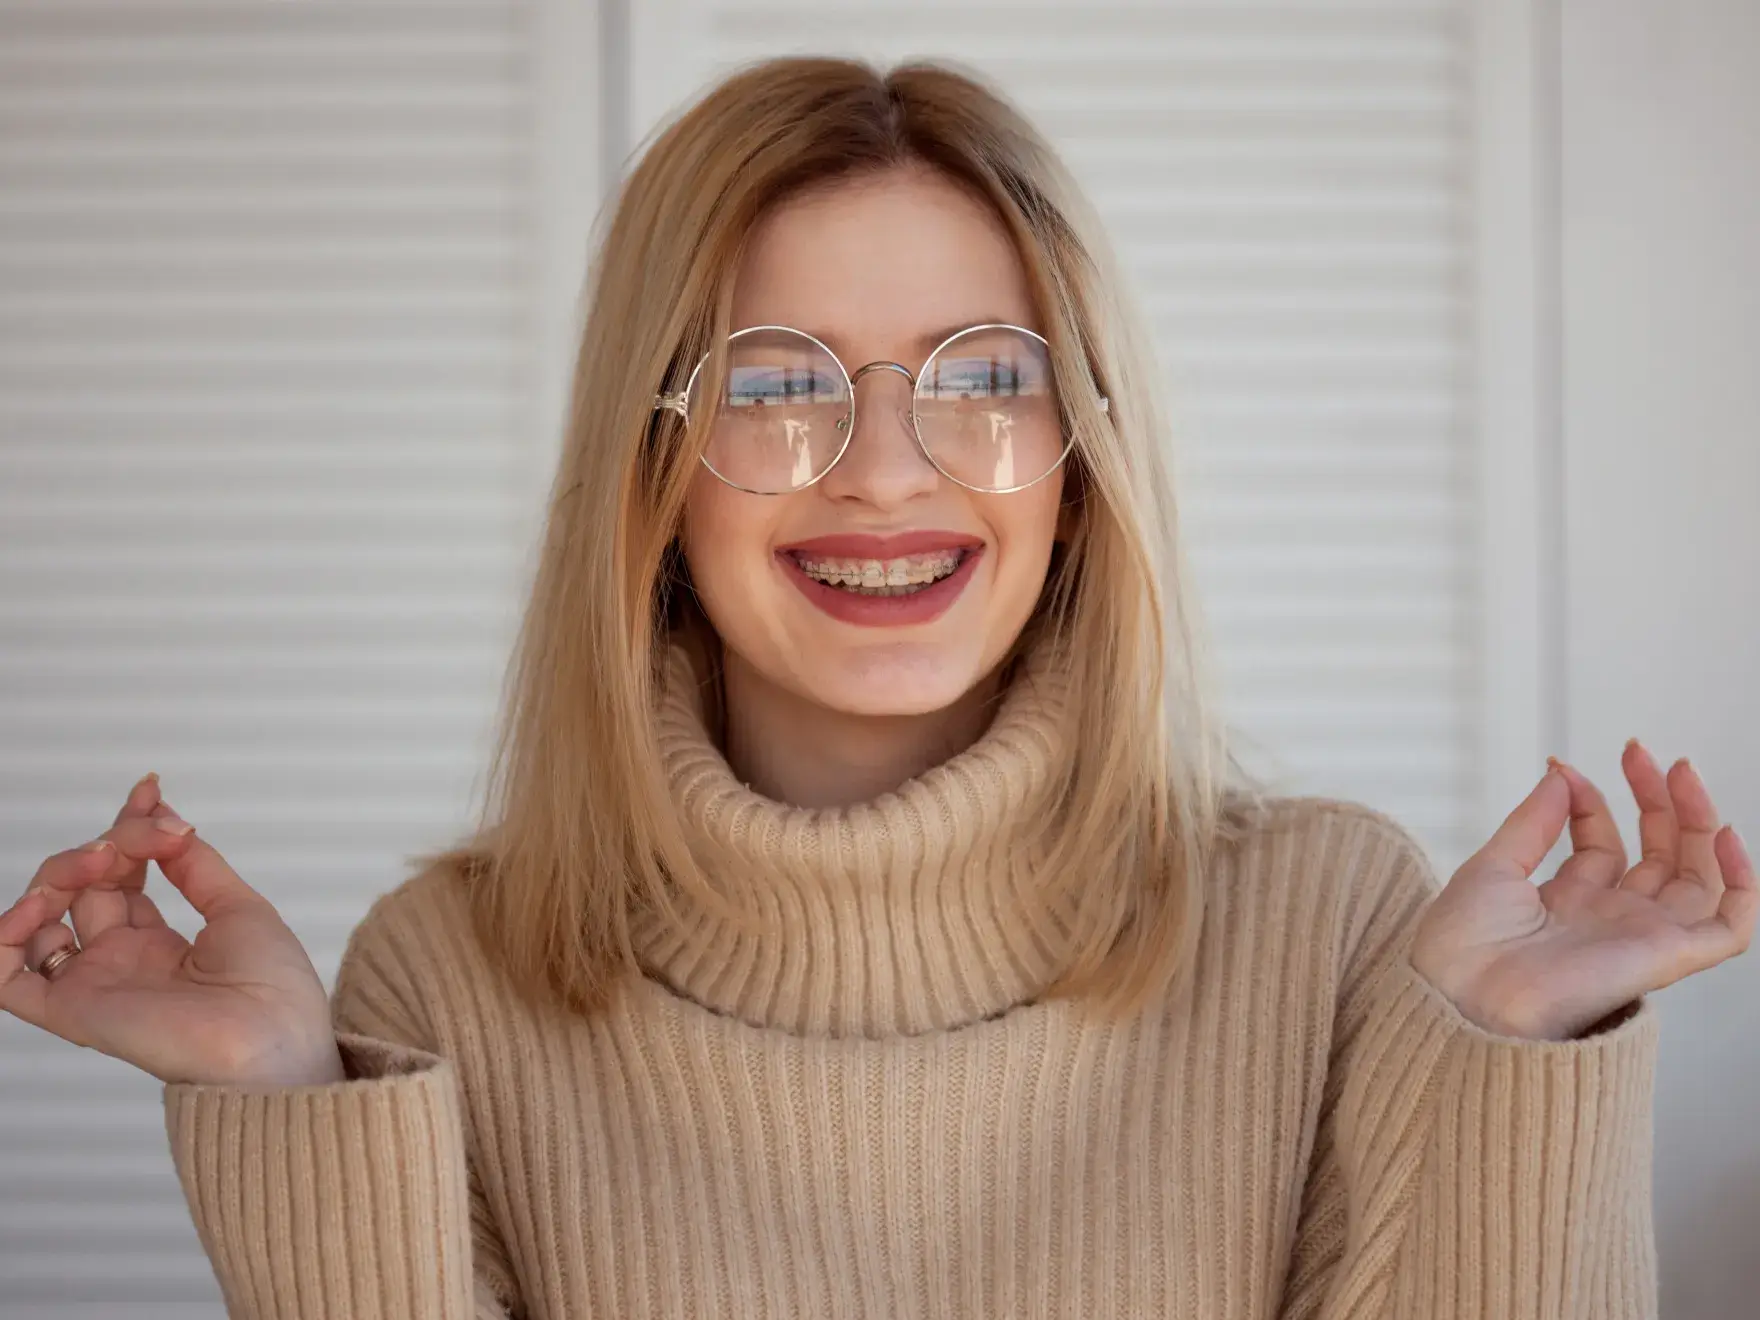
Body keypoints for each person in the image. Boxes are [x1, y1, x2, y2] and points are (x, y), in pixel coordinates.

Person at [1, 56, 1752, 1320]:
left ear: (1081, 452)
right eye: (779, 386)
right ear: (652, 465)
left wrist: (1510, 1069)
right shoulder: (446, 980)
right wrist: (295, 1111)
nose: (889, 472)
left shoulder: (1334, 924)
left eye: (984, 374)